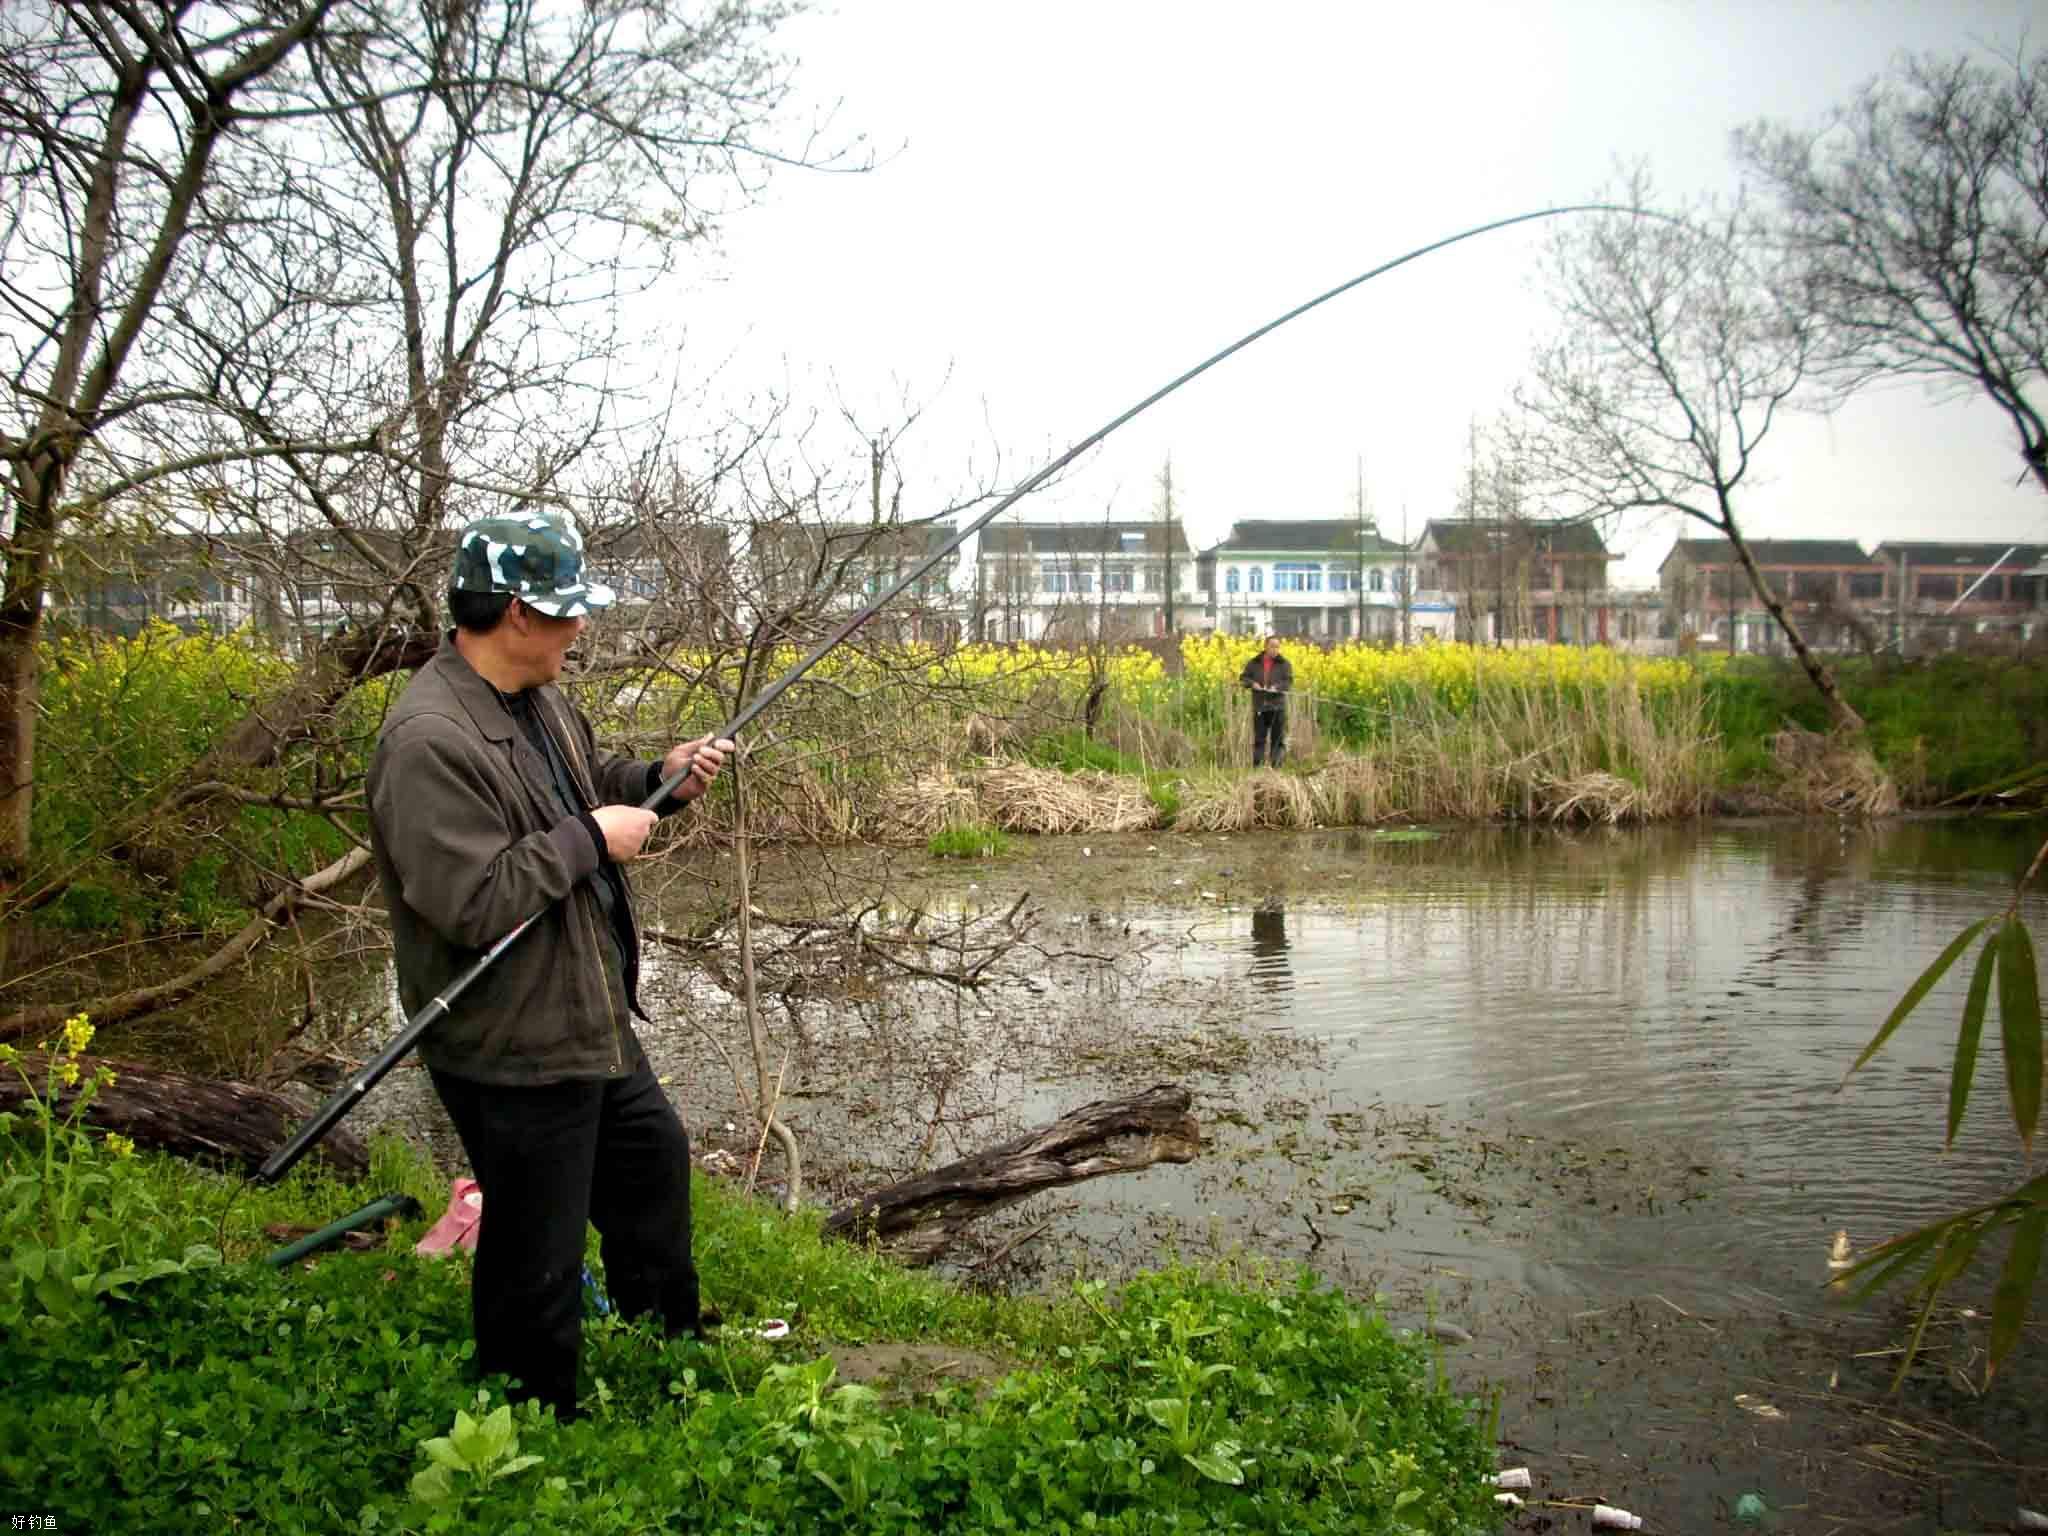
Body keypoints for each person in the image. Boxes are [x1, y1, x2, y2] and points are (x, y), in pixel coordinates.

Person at [366, 510, 735, 1423]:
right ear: (518, 615)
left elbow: (584, 787)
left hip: (587, 1009)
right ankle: (531, 1417)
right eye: (568, 612)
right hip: (511, 1037)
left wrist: (662, 776)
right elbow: (469, 901)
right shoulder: (427, 740)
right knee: (537, 1239)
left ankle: (671, 1348)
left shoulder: (538, 700)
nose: (581, 629)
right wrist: (588, 840)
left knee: (652, 1165)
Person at [1238, 633, 1293, 768]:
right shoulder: (1254, 663)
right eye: (1272, 646)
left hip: (1277, 707)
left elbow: (1288, 682)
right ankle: (1257, 768)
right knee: (1259, 739)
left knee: (1278, 740)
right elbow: (1243, 678)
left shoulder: (1284, 664)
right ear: (1265, 647)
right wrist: (1253, 684)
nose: (1275, 650)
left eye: (1277, 647)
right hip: (1260, 707)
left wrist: (1277, 687)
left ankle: (1276, 768)